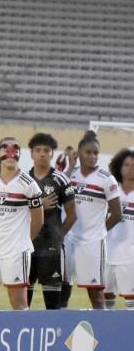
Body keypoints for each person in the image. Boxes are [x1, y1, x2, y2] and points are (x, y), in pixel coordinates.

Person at [0, 138, 43, 310]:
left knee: (19, 305)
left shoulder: (29, 185)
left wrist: (23, 243)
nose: (10, 151)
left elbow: (38, 220)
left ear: (19, 154)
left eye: (15, 148)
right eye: (5, 147)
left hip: (16, 251)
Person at [64, 131, 122, 310]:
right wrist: (69, 167)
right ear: (79, 152)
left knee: (95, 293)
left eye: (96, 153)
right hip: (68, 239)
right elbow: (58, 193)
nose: (92, 156)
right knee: (63, 288)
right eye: (88, 152)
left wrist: (98, 231)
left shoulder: (106, 179)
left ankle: (103, 331)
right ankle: (61, 323)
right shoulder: (70, 175)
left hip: (93, 243)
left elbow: (117, 214)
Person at [26, 132, 76, 309]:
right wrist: (39, 206)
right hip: (27, 246)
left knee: (52, 305)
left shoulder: (61, 179)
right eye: (37, 150)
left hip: (51, 249)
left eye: (46, 150)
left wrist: (59, 237)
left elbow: (72, 216)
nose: (42, 154)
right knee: (23, 303)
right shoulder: (24, 179)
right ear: (31, 153)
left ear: (52, 154)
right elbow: (18, 213)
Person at [105, 148, 134, 308]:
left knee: (131, 302)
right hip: (107, 254)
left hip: (130, 257)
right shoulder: (110, 190)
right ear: (119, 167)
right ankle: (108, 331)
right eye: (127, 164)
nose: (130, 168)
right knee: (106, 299)